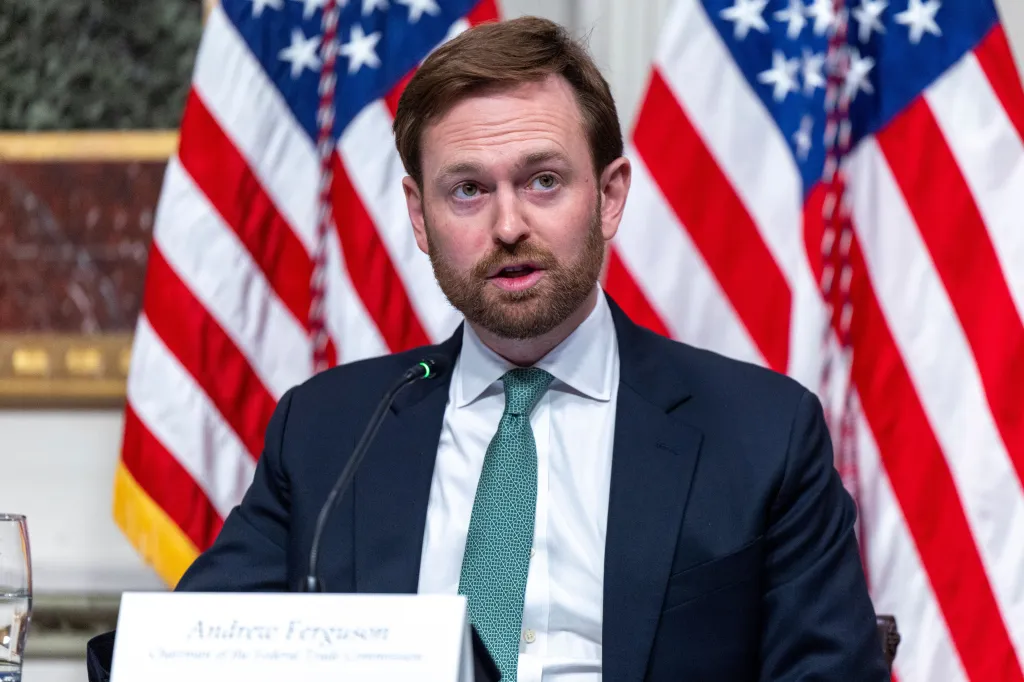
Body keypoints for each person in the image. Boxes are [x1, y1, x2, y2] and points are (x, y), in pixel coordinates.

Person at [171, 15, 888, 681]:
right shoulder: (330, 430)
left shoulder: (761, 434)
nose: (509, 224)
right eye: (468, 191)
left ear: (609, 196)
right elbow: (187, 651)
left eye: (543, 181)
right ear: (419, 217)